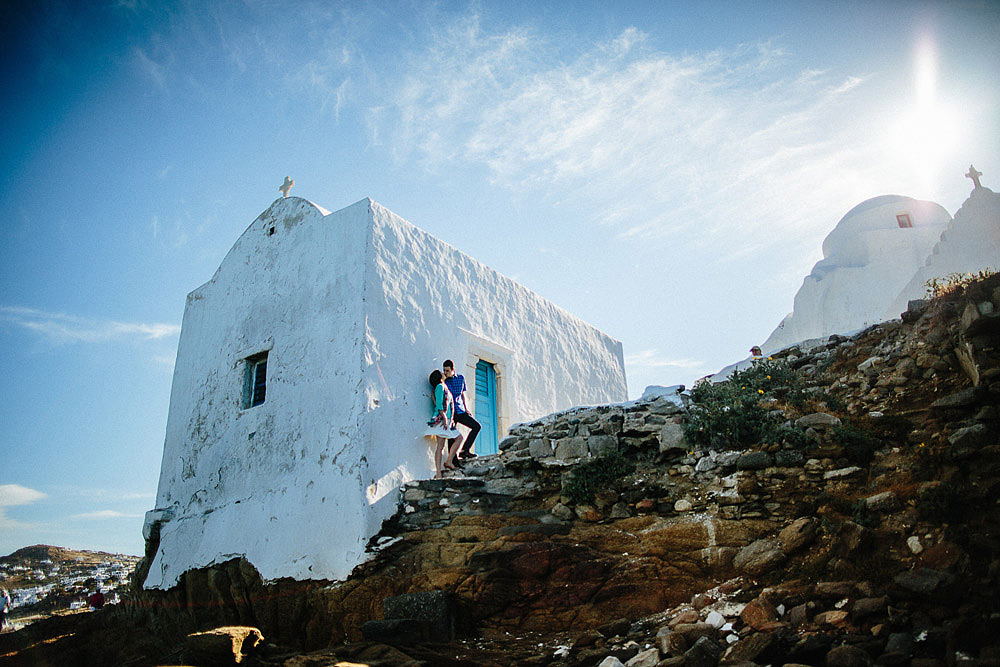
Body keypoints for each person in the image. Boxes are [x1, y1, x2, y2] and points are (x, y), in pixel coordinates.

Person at [424, 370, 464, 479]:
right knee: (440, 445)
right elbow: (439, 404)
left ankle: (449, 461)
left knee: (459, 438)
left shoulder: (443, 386)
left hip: (447, 420)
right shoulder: (440, 387)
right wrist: (444, 417)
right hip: (442, 420)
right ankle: (438, 472)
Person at [443, 360, 482, 461]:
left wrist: (466, 408)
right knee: (451, 435)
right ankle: (453, 460)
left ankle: (465, 450)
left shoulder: (460, 378)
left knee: (476, 426)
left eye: (447, 370)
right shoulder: (445, 382)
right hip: (451, 412)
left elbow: (462, 395)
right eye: (444, 371)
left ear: (453, 370)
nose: (445, 373)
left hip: (461, 410)